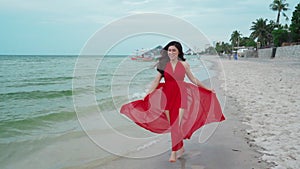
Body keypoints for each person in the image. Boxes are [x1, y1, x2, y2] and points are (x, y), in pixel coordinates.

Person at [120, 41, 225, 162]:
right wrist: (147, 95)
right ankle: (180, 147)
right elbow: (156, 81)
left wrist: (207, 89)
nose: (171, 52)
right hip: (166, 97)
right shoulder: (163, 64)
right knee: (174, 126)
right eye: (169, 50)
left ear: (179, 52)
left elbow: (193, 79)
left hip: (181, 95)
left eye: (173, 50)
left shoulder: (184, 65)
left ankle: (173, 153)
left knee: (175, 124)